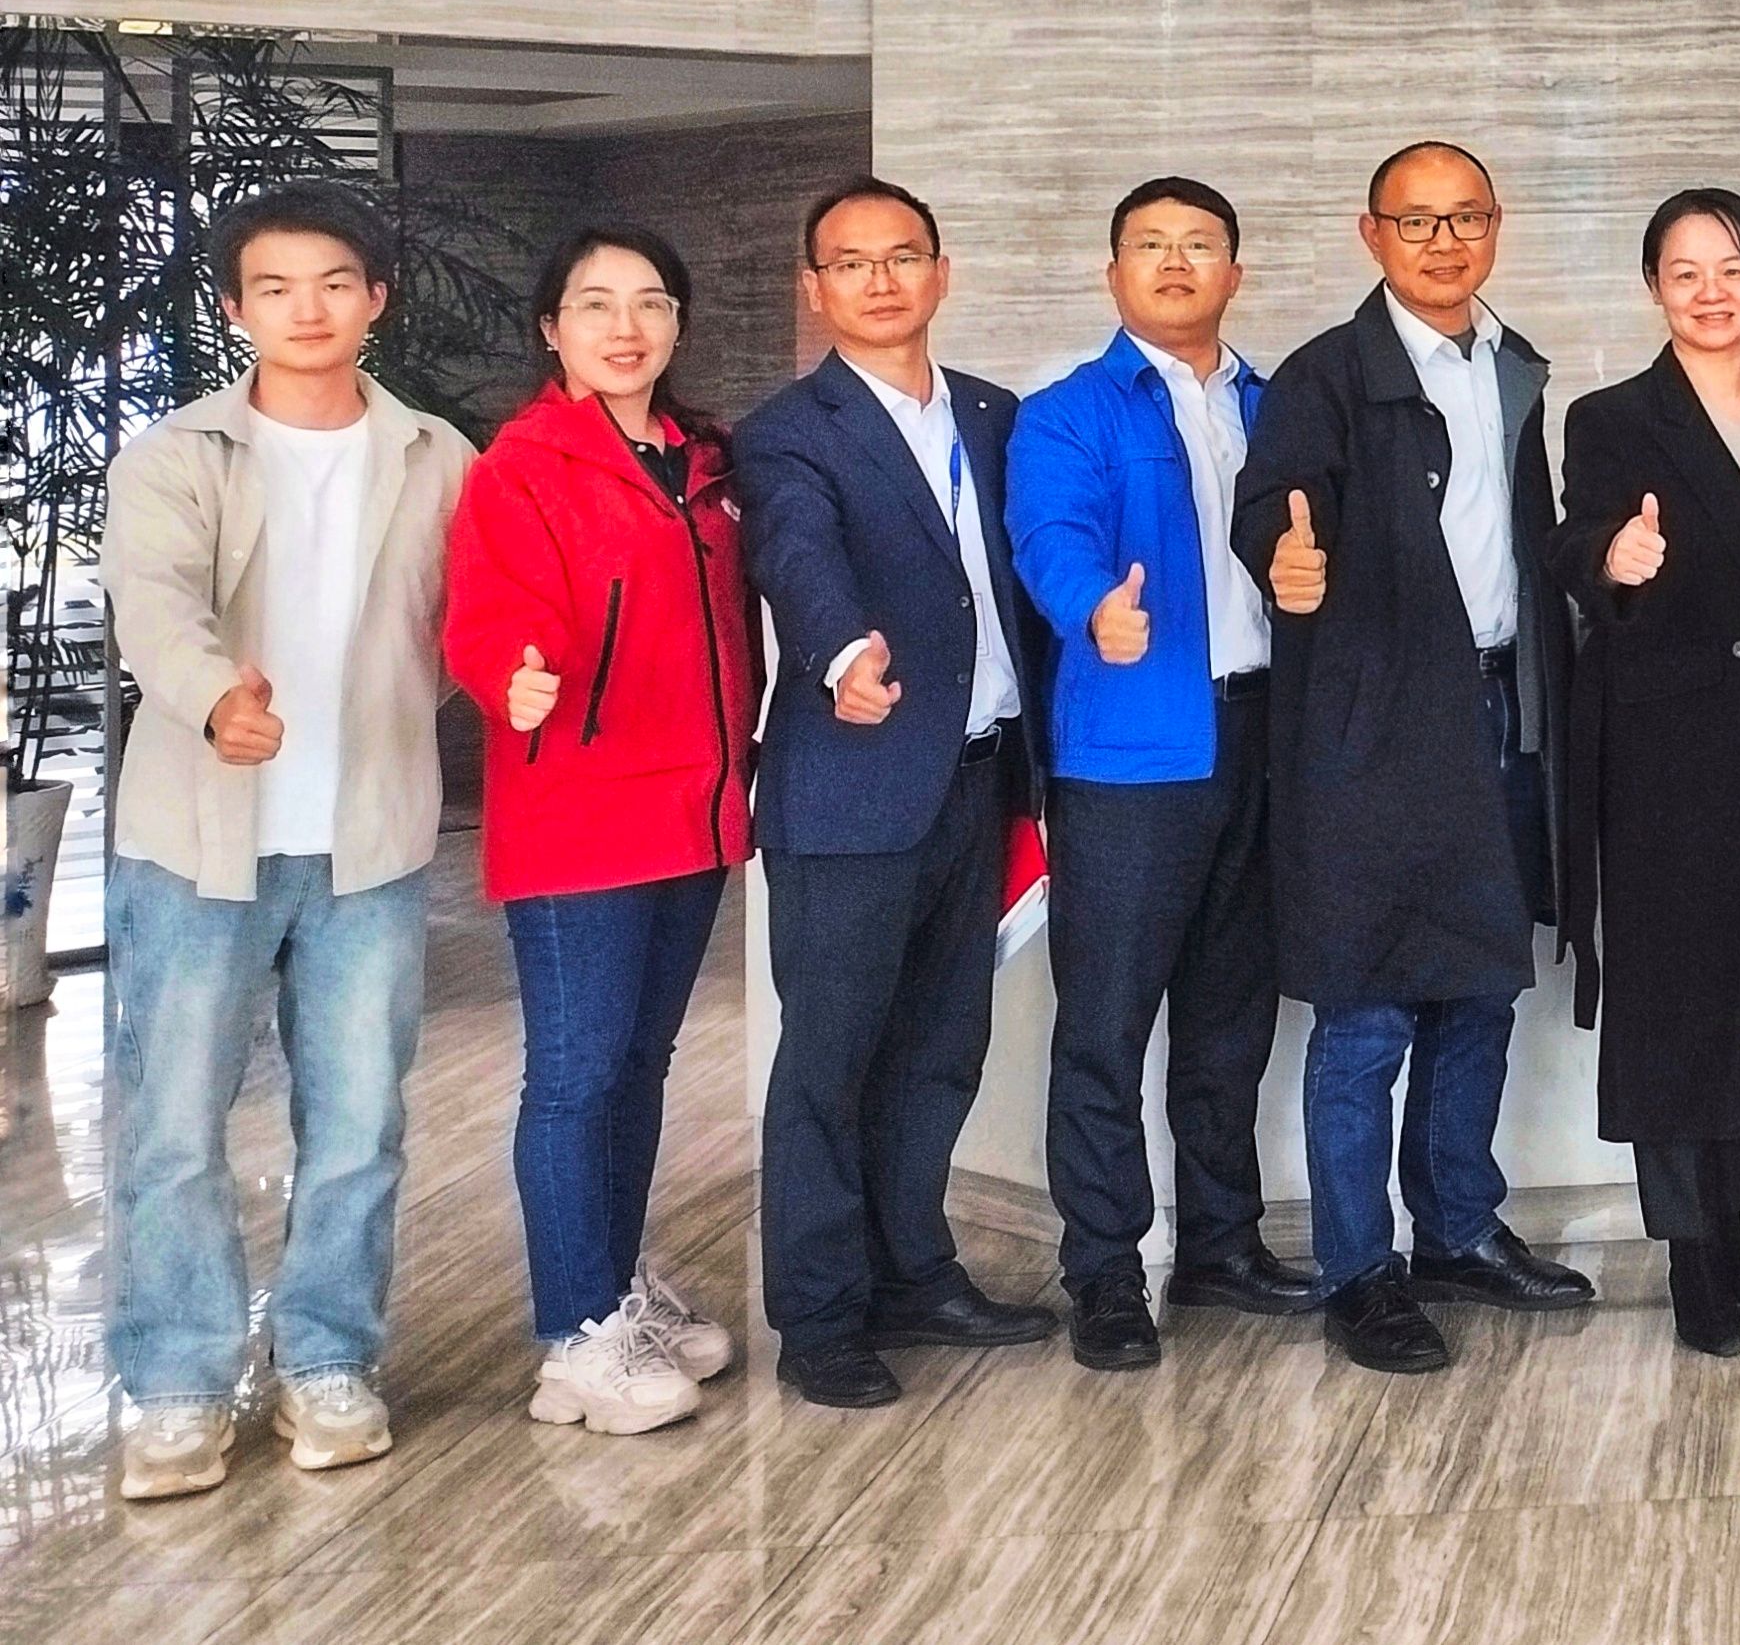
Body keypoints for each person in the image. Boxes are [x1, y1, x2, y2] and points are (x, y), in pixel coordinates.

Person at [98, 186, 471, 1500]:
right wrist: (217, 697)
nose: (305, 308)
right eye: (274, 286)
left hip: (369, 840)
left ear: (376, 299)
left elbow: (466, 622)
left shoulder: (438, 456)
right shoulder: (177, 454)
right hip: (197, 841)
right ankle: (177, 1384)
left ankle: (328, 1359)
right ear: (235, 307)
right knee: (173, 1126)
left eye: (333, 282)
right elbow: (153, 601)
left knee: (361, 1122)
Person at [1234, 140, 1596, 1378]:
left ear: (1496, 226)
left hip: (1501, 711)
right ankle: (1359, 1269)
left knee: (1480, 991)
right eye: (1417, 221)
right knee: (1368, 1010)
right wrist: (1283, 563)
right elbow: (1270, 508)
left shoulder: (1513, 368)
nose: (1445, 243)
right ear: (1372, 235)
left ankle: (1456, 1231)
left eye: (1466, 218)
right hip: (1376, 728)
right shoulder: (1325, 376)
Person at [737, 178, 1060, 1408]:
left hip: (978, 785)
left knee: (938, 1052)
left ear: (940, 272)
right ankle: (821, 1318)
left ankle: (914, 1272)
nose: (880, 280)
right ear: (814, 289)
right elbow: (797, 552)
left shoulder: (993, 414)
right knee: (829, 1064)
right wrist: (838, 654)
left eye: (903, 256)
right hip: (851, 789)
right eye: (850, 262)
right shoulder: (789, 431)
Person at [440, 225, 759, 1439]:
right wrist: (510, 675)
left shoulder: (706, 463)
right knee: (576, 1076)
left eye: (650, 303)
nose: (626, 327)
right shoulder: (522, 467)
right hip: (579, 813)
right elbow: (484, 615)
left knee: (640, 1064)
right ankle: (575, 1338)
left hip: (695, 809)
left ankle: (616, 1286)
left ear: (677, 324)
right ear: (552, 328)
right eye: (595, 304)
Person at [1005, 178, 1314, 1374]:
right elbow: (1052, 535)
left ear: (1235, 272)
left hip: (1264, 741)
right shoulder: (1067, 413)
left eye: (1199, 245)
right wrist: (1094, 607)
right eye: (1150, 244)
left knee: (1232, 1019)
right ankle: (1105, 1272)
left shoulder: (1277, 405)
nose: (1176, 262)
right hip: (1132, 756)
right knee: (1106, 1028)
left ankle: (1222, 1247)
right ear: (1114, 274)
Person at [1544, 189, 1740, 1360]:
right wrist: (1609, 557)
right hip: (1667, 755)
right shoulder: (1613, 418)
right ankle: (1687, 1255)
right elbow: (1573, 539)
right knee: (1678, 1006)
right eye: (1685, 273)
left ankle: (1730, 1231)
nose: (1711, 292)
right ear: (1654, 291)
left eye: (1732, 268)